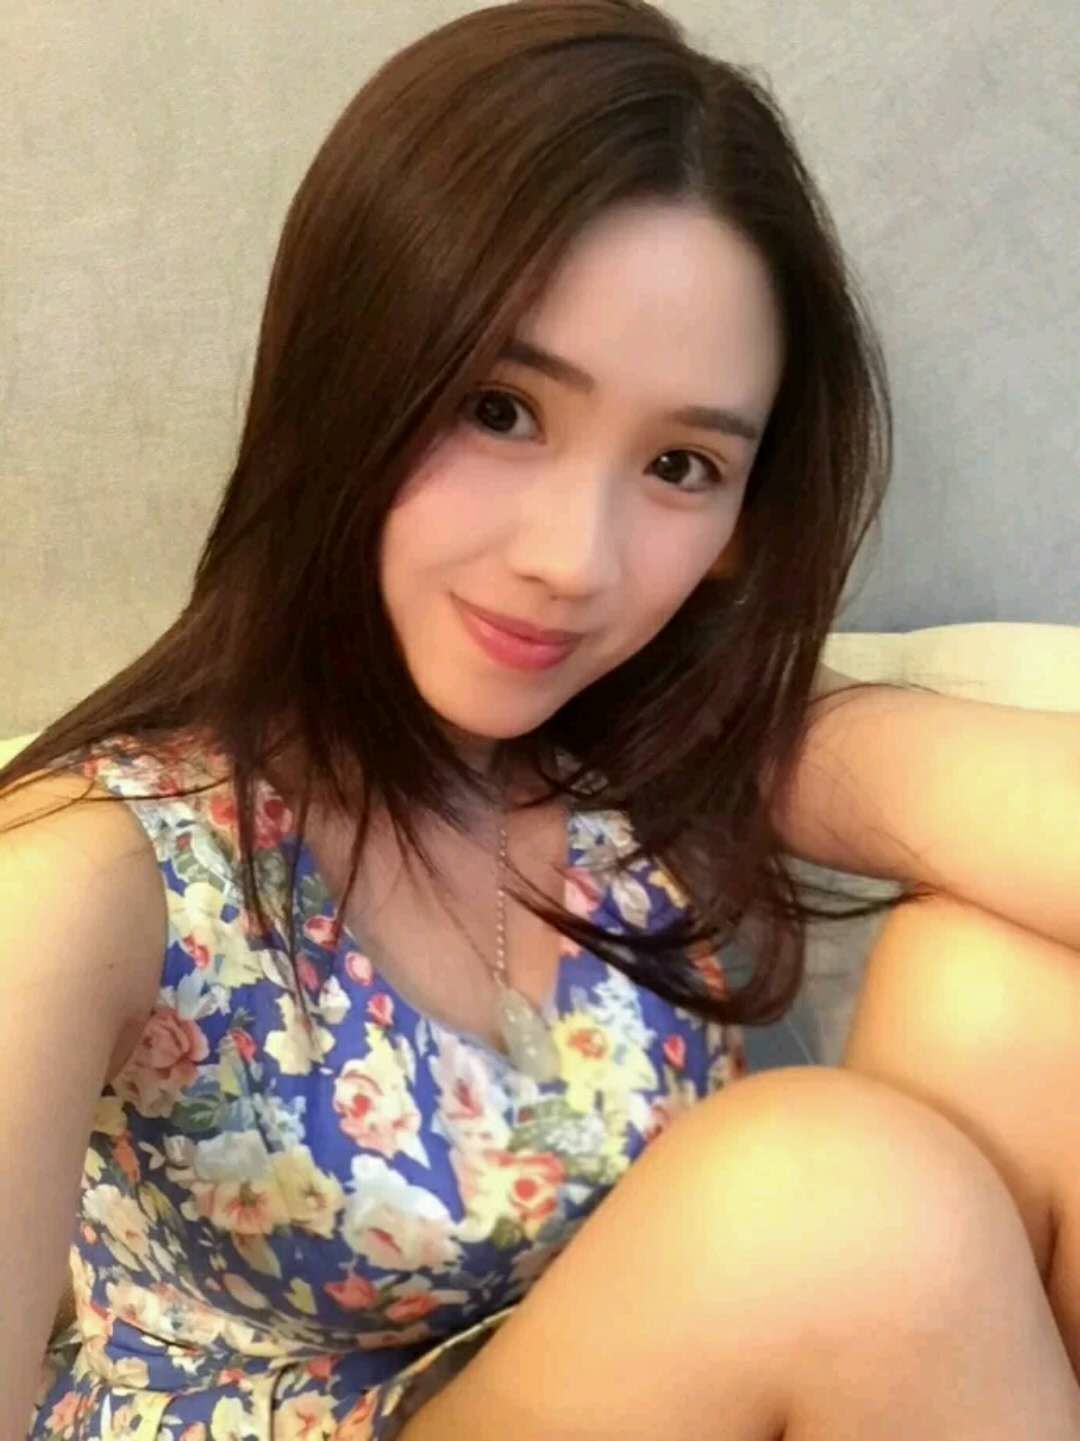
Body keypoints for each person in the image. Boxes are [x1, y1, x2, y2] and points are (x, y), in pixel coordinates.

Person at [3, 2, 1079, 1437]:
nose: (574, 560)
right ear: (348, 376)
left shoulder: (649, 748)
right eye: (502, 409)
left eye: (681, 465)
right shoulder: (88, 874)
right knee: (834, 1203)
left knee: (1000, 997)